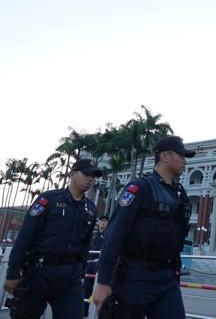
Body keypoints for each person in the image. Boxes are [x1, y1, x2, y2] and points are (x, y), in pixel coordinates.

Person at [92, 136, 195, 318]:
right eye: (181, 156)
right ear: (164, 156)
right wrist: (103, 281)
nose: (185, 161)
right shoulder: (140, 189)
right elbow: (115, 234)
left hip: (167, 279)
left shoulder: (180, 195)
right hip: (134, 276)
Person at [4, 159, 100, 319]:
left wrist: (79, 272)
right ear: (72, 173)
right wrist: (12, 273)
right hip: (40, 272)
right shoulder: (49, 200)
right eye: (86, 174)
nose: (90, 179)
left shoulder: (90, 209)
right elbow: (25, 237)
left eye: (93, 176)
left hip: (70, 277)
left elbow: (85, 245)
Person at [84, 216, 109, 317]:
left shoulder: (108, 236)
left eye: (105, 221)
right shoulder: (94, 236)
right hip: (89, 264)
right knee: (86, 288)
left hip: (98, 265)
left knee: (96, 291)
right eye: (101, 221)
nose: (103, 224)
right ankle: (84, 312)